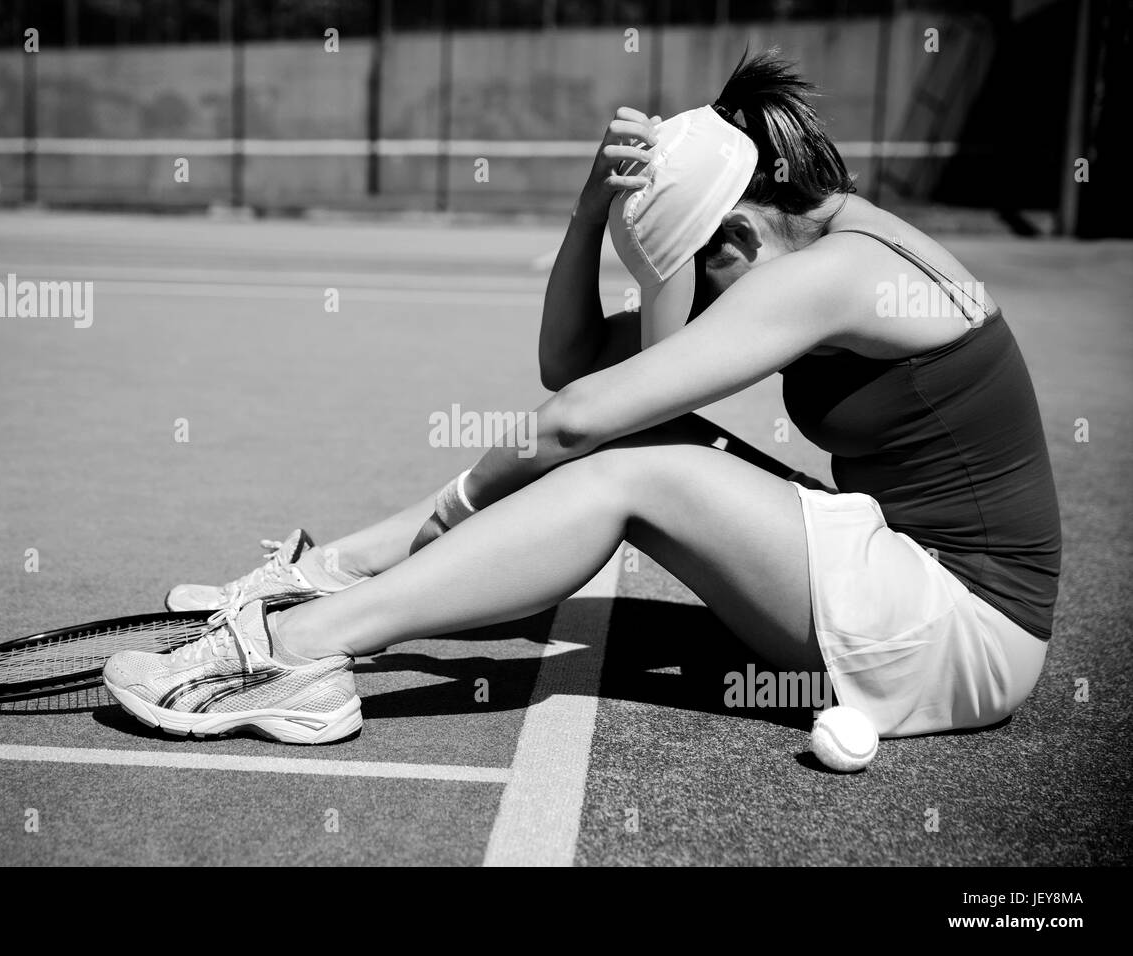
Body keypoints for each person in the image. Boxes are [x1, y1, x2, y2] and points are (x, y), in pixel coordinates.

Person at [104, 50, 1061, 746]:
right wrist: (590, 212)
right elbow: (570, 363)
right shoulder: (808, 243)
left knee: (632, 468)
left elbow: (580, 416)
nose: (685, 305)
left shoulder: (834, 274)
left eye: (688, 279)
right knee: (640, 441)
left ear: (728, 242)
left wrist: (459, 506)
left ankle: (304, 648)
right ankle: (329, 577)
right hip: (905, 584)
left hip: (960, 629)